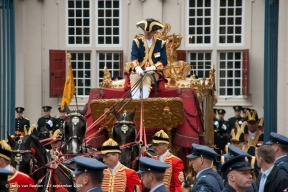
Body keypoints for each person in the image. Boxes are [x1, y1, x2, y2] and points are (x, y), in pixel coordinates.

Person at [129, 18, 167, 99]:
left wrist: (154, 67)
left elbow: (164, 60)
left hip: (153, 72)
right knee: (135, 78)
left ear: (154, 32)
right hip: (138, 71)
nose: (147, 34)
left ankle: (144, 100)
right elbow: (133, 56)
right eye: (145, 32)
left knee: (146, 79)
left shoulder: (161, 43)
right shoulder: (136, 42)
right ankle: (135, 100)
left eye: (149, 32)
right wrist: (137, 67)